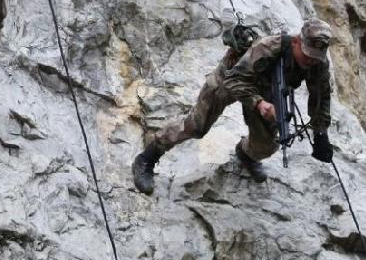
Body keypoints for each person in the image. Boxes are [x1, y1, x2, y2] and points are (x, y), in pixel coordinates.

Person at [132, 18, 335, 194]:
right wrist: (258, 104)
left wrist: (320, 134)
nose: (310, 61)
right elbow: (234, 81)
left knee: (268, 143)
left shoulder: (318, 63)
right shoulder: (267, 47)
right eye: (307, 54)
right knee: (196, 126)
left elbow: (321, 97)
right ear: (297, 41)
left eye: (315, 57)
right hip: (231, 79)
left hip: (266, 90)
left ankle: (245, 154)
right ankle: (148, 157)